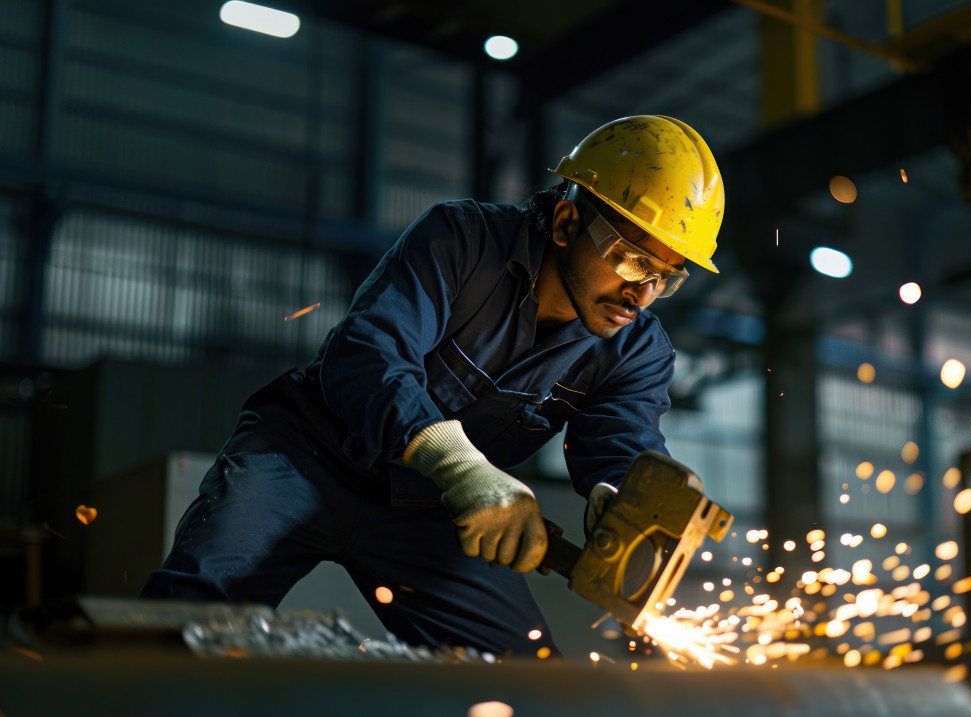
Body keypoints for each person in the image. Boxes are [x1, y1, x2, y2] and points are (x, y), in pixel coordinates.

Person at [140, 115, 726, 658]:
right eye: (630, 261)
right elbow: (369, 356)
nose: (641, 294)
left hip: (433, 510)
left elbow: (619, 443)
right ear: (568, 223)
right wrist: (463, 467)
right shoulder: (462, 240)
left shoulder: (637, 349)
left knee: (520, 674)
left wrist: (627, 496)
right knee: (189, 620)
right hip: (303, 458)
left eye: (665, 277)